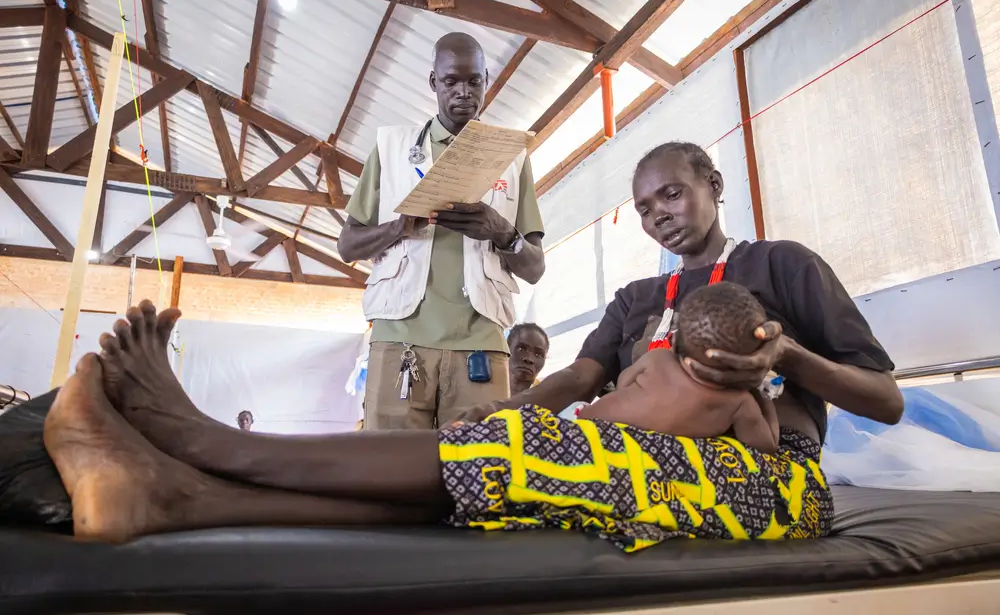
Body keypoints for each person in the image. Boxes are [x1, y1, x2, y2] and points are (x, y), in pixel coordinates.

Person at [40, 141, 903, 551]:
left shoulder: (780, 267)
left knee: (548, 445)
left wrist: (783, 357)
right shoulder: (639, 297)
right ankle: (171, 498)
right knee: (506, 454)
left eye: (672, 194)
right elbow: (576, 377)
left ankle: (202, 443)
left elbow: (884, 397)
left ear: (712, 185)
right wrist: (502, 420)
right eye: (643, 207)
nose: (658, 214)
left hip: (765, 479)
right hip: (638, 454)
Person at [337, 32, 546, 431]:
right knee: (393, 467)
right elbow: (348, 245)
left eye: (474, 81)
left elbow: (534, 268)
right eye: (451, 82)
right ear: (434, 82)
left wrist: (500, 230)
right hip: (400, 336)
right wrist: (400, 225)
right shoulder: (392, 148)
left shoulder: (512, 158)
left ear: (487, 79)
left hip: (480, 342)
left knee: (475, 468)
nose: (464, 93)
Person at [580, 282, 780, 453]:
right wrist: (763, 393)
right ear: (754, 361)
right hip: (645, 458)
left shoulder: (657, 359)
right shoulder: (740, 402)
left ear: (674, 341)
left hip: (588, 429)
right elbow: (766, 446)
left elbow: (624, 382)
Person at [506, 323, 548, 394]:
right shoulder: (484, 385)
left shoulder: (545, 398)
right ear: (507, 349)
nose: (529, 359)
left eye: (538, 354)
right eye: (521, 349)